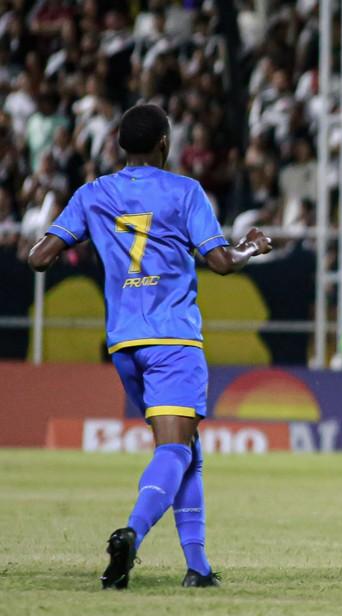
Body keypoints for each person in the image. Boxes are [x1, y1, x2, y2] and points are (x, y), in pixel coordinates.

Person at [27, 104, 273, 589]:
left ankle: (198, 568)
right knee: (175, 450)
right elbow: (221, 262)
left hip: (124, 344)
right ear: (165, 142)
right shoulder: (184, 191)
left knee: (186, 450)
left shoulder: (94, 193)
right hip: (173, 338)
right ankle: (131, 534)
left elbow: (39, 258)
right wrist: (252, 246)